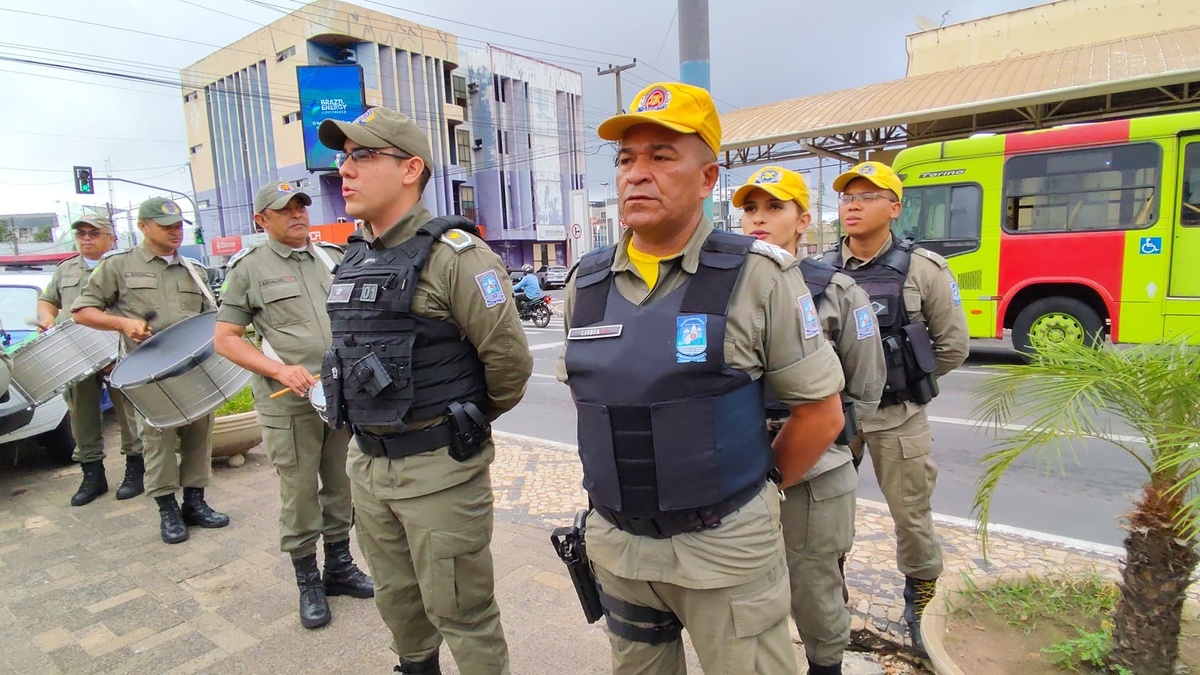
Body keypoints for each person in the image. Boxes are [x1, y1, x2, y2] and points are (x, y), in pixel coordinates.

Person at [558, 82, 847, 674]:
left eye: (661, 157)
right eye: (626, 159)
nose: (637, 174)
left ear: (709, 177)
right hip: (620, 551)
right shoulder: (584, 284)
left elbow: (822, 414)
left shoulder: (760, 275)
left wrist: (754, 492)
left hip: (727, 552)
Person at [317, 106, 533, 674]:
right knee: (397, 604)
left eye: (362, 155)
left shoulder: (457, 256)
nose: (346, 169)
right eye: (344, 157)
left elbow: (508, 363)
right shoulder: (354, 257)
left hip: (440, 471)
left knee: (462, 611)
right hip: (368, 468)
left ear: (411, 168)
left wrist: (456, 419)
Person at [734, 166, 885, 674]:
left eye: (774, 208)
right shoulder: (724, 286)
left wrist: (825, 442)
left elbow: (864, 389)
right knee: (744, 589)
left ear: (802, 221)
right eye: (750, 209)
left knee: (815, 586)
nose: (758, 220)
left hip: (815, 469)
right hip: (741, 463)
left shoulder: (837, 291)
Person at [822, 161, 969, 656]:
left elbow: (952, 346)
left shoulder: (924, 268)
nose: (853, 205)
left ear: (894, 207)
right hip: (838, 417)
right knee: (826, 514)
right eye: (846, 197)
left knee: (911, 515)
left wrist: (902, 381)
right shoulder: (821, 270)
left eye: (867, 196)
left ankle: (921, 597)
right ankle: (828, 596)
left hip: (897, 416)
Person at [214, 181, 373, 630]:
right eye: (284, 210)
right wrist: (278, 370)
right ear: (262, 219)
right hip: (290, 402)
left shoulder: (332, 257)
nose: (297, 214)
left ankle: (339, 568)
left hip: (338, 395)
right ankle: (308, 581)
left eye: (301, 206)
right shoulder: (249, 267)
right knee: (299, 491)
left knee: (341, 485)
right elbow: (226, 340)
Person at [72, 197, 231, 545]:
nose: (175, 232)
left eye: (178, 226)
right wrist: (122, 323)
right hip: (149, 376)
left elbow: (211, 319)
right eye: (166, 226)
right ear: (143, 227)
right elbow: (82, 311)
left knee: (199, 436)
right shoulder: (118, 266)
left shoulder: (194, 269)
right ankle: (167, 509)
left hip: (193, 370)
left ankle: (195, 503)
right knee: (157, 441)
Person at [37, 213, 145, 506]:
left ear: (111, 237)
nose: (86, 237)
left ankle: (136, 470)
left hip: (120, 352)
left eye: (93, 233)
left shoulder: (126, 266)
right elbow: (49, 300)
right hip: (77, 354)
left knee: (129, 414)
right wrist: (46, 317)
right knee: (82, 415)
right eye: (81, 233)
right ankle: (92, 475)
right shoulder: (65, 270)